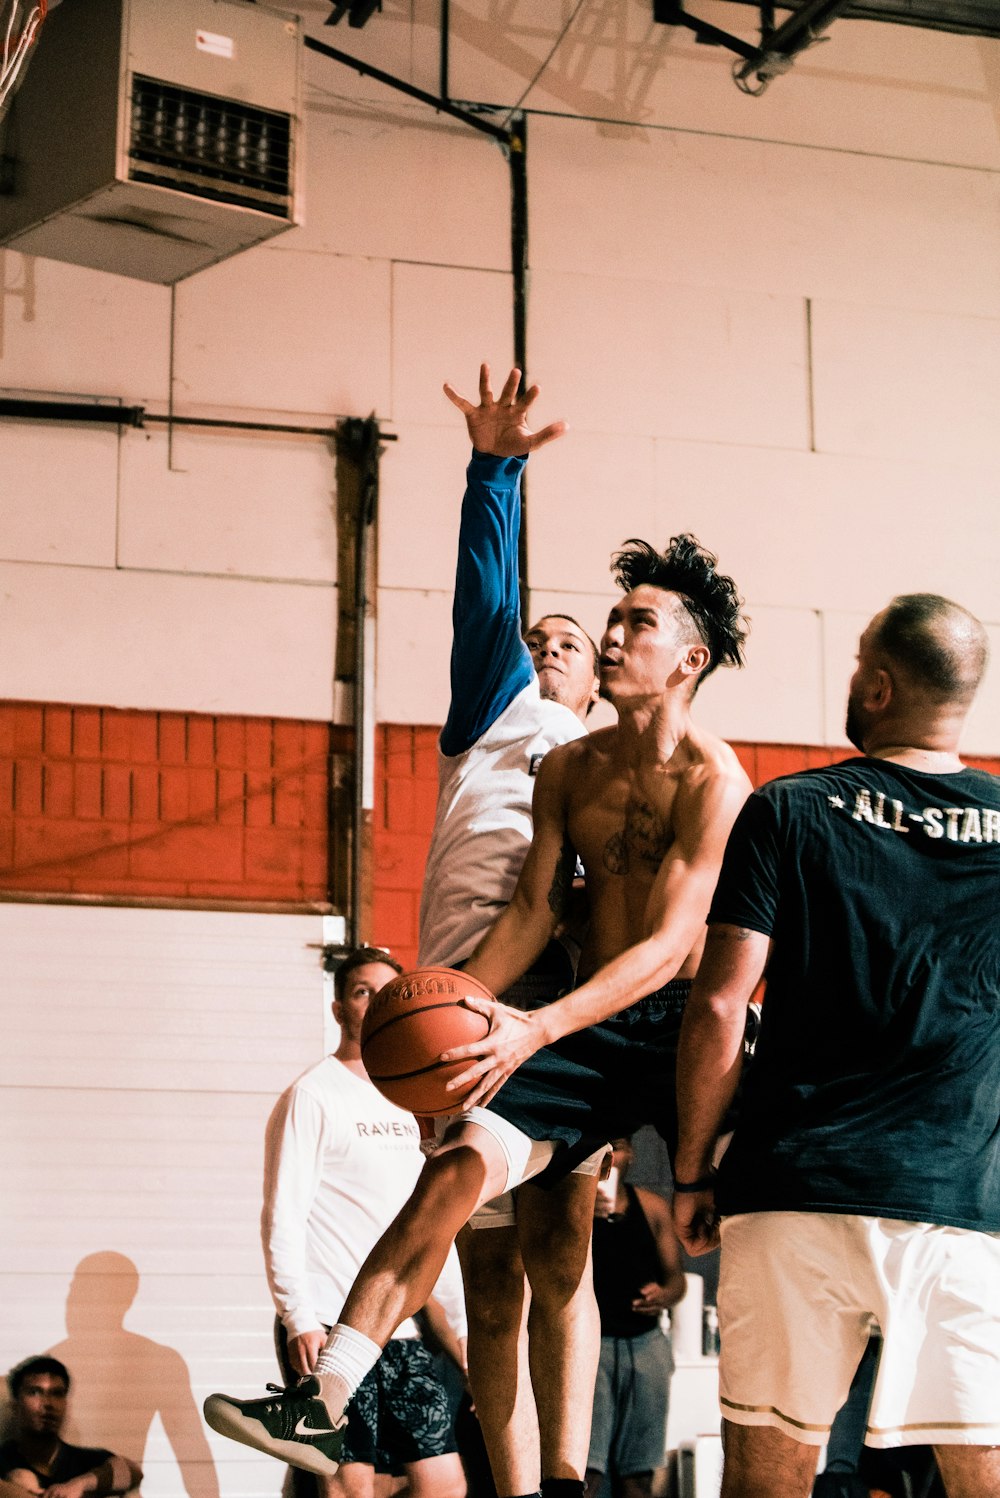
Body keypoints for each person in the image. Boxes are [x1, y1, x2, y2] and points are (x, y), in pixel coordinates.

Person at [203, 368, 751, 1498]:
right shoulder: (559, 759)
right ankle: (331, 1392)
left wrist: (526, 1019)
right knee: (465, 1180)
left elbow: (668, 950)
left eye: (630, 622)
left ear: (685, 657)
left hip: (671, 1022)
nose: (602, 634)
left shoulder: (717, 778)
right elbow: (534, 910)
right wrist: (477, 1008)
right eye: (600, 619)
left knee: (713, 1219)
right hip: (556, 1011)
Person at [670, 593, 1000, 1498]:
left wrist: (692, 1171)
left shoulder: (791, 809)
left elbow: (720, 1005)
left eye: (858, 662)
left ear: (882, 686)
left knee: (765, 1484)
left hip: (792, 1194)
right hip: (956, 1204)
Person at [419, 364, 604, 1498]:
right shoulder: (500, 709)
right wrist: (496, 468)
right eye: (541, 635)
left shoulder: (617, 763)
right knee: (490, 1280)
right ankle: (515, 1484)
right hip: (461, 1003)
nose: (548, 644)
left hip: (558, 1012)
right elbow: (483, 599)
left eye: (570, 643)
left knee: (562, 1253)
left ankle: (573, 1475)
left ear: (597, 680)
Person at [259, 946, 468, 1498]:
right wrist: (297, 1316)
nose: (376, 1001)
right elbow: (283, 1214)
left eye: (387, 991)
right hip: (329, 1326)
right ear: (338, 1009)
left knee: (444, 1484)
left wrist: (461, 1327)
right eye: (361, 991)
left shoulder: (414, 1096)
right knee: (350, 1489)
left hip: (402, 1328)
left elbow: (431, 1223)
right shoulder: (314, 1093)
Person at [584, 1138, 686, 1498]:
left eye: (622, 1147)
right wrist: (580, 1215)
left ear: (632, 1155)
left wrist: (664, 1295)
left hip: (645, 1345)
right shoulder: (568, 1207)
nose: (613, 1155)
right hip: (588, 1347)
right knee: (583, 1474)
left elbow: (676, 1280)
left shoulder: (653, 1206)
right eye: (605, 1147)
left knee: (639, 1475)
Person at [1, 1357, 142, 1498]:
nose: (48, 1403)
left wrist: (81, 1485)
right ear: (15, 1406)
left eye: (57, 1393)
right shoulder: (4, 1461)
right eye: (35, 1392)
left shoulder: (84, 1460)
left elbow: (133, 1472)